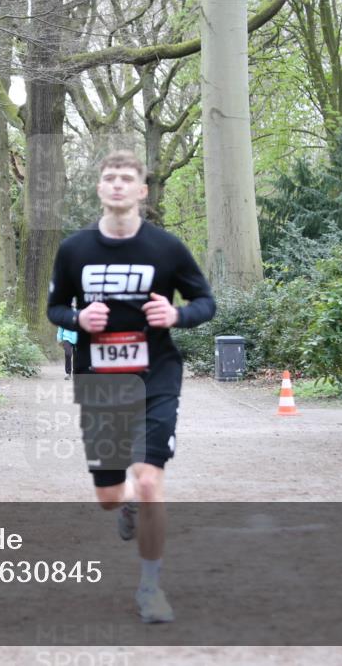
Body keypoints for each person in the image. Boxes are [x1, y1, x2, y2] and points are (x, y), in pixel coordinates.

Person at [46, 150, 215, 623]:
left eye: (126, 178)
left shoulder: (166, 248)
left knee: (148, 480)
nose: (117, 184)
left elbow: (206, 301)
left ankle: (150, 588)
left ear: (141, 191)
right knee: (109, 496)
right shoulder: (75, 249)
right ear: (99, 188)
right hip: (99, 380)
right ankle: (125, 508)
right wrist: (78, 319)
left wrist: (177, 314)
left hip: (155, 374)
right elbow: (55, 309)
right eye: (109, 177)